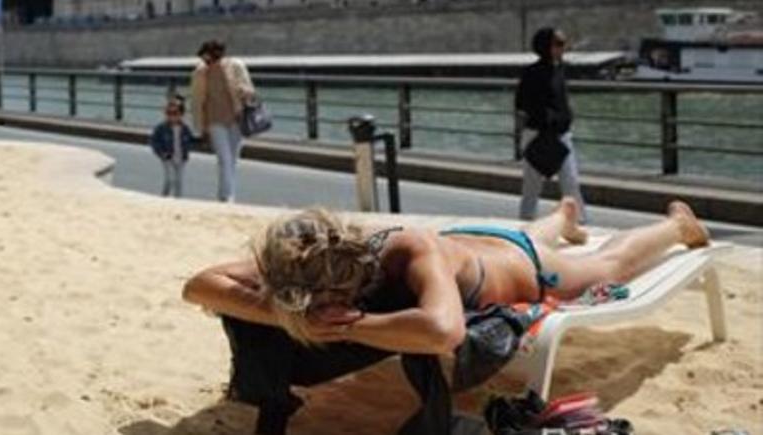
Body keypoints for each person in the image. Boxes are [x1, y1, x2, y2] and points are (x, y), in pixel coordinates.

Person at [182, 199, 710, 432]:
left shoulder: (410, 253)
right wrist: (283, 316)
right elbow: (199, 285)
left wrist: (347, 327)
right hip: (471, 244)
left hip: (521, 266)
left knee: (602, 263)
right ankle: (560, 217)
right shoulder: (313, 254)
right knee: (537, 234)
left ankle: (676, 226)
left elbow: (444, 330)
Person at [516, 27, 585, 221]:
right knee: (532, 188)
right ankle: (525, 224)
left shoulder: (560, 69)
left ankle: (580, 224)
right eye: (559, 44)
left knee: (571, 183)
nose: (563, 48)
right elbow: (521, 104)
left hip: (561, 135)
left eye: (564, 43)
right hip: (538, 135)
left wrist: (566, 117)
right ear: (546, 46)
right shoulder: (531, 73)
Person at [189, 39, 255, 202]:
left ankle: (224, 195)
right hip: (214, 120)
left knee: (232, 160)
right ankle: (228, 197)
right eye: (204, 60)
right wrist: (201, 126)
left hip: (237, 118)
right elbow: (197, 101)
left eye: (209, 59)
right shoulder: (200, 73)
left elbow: (250, 90)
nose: (207, 62)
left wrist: (243, 91)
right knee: (224, 159)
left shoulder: (236, 66)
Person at [149, 97, 196, 198]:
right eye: (168, 113)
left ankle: (178, 201)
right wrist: (162, 153)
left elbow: (191, 140)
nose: (171, 116)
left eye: (175, 113)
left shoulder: (185, 128)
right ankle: (164, 198)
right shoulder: (161, 128)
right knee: (170, 179)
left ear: (181, 114)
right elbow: (154, 142)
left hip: (181, 158)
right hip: (168, 158)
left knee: (179, 181)